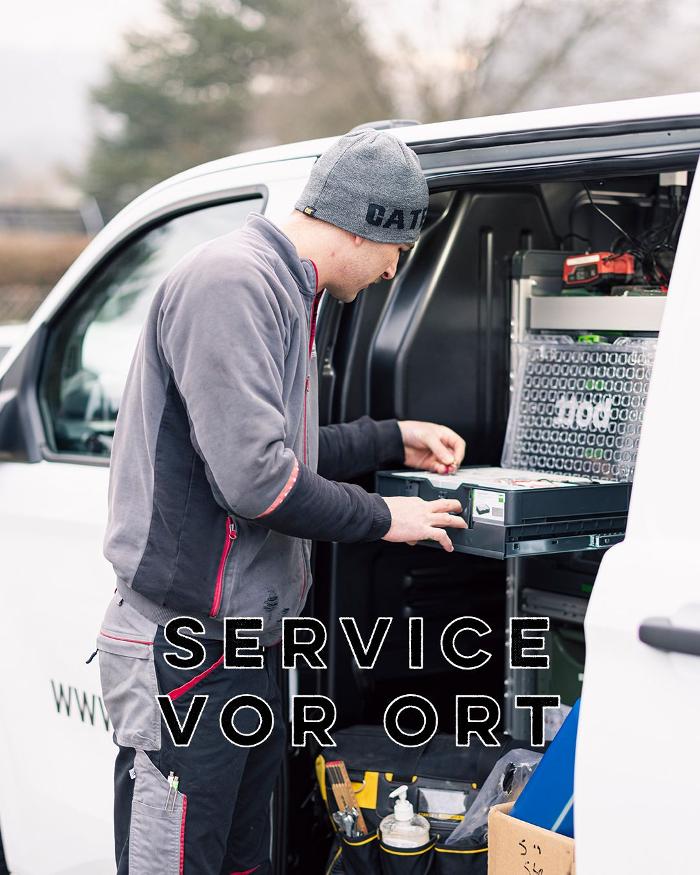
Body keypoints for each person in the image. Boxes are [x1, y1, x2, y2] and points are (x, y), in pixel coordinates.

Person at [97, 128, 468, 874]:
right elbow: (259, 480)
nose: (395, 268)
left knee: (244, 862)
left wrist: (391, 438)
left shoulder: (286, 290)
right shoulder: (233, 282)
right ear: (365, 225)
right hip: (187, 654)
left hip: (242, 651)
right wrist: (386, 519)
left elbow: (276, 446)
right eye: (398, 247)